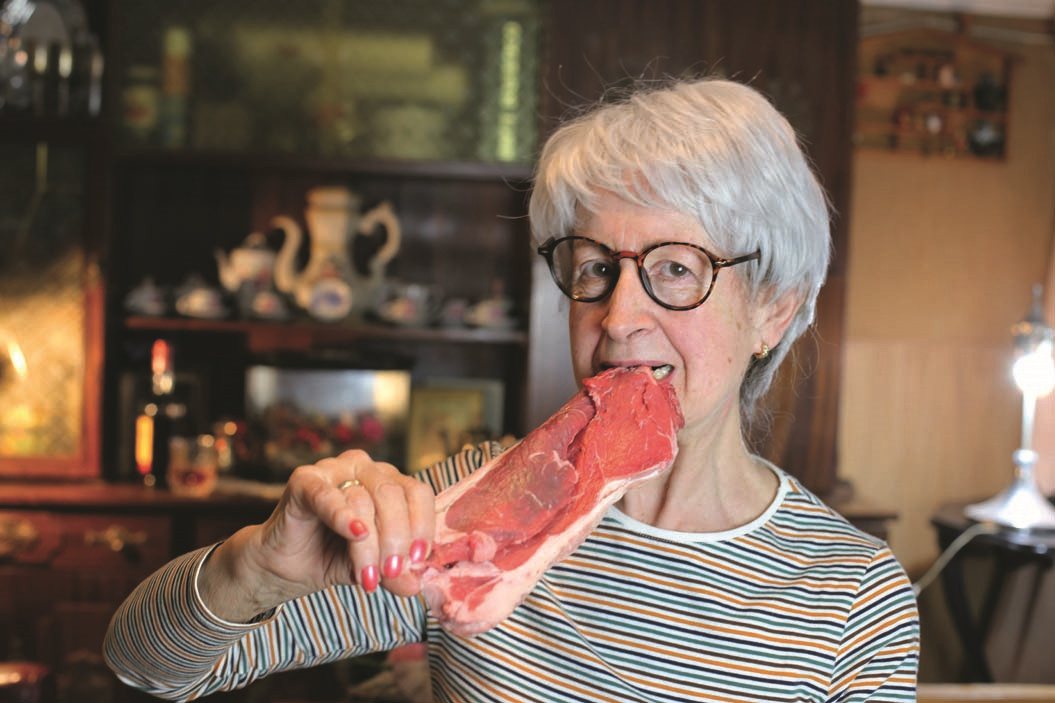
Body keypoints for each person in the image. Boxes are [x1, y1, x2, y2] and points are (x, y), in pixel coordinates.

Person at [104, 77, 919, 702]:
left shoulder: (850, 595)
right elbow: (148, 667)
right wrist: (258, 567)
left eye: (675, 268)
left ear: (773, 309)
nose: (617, 316)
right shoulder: (474, 510)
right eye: (593, 268)